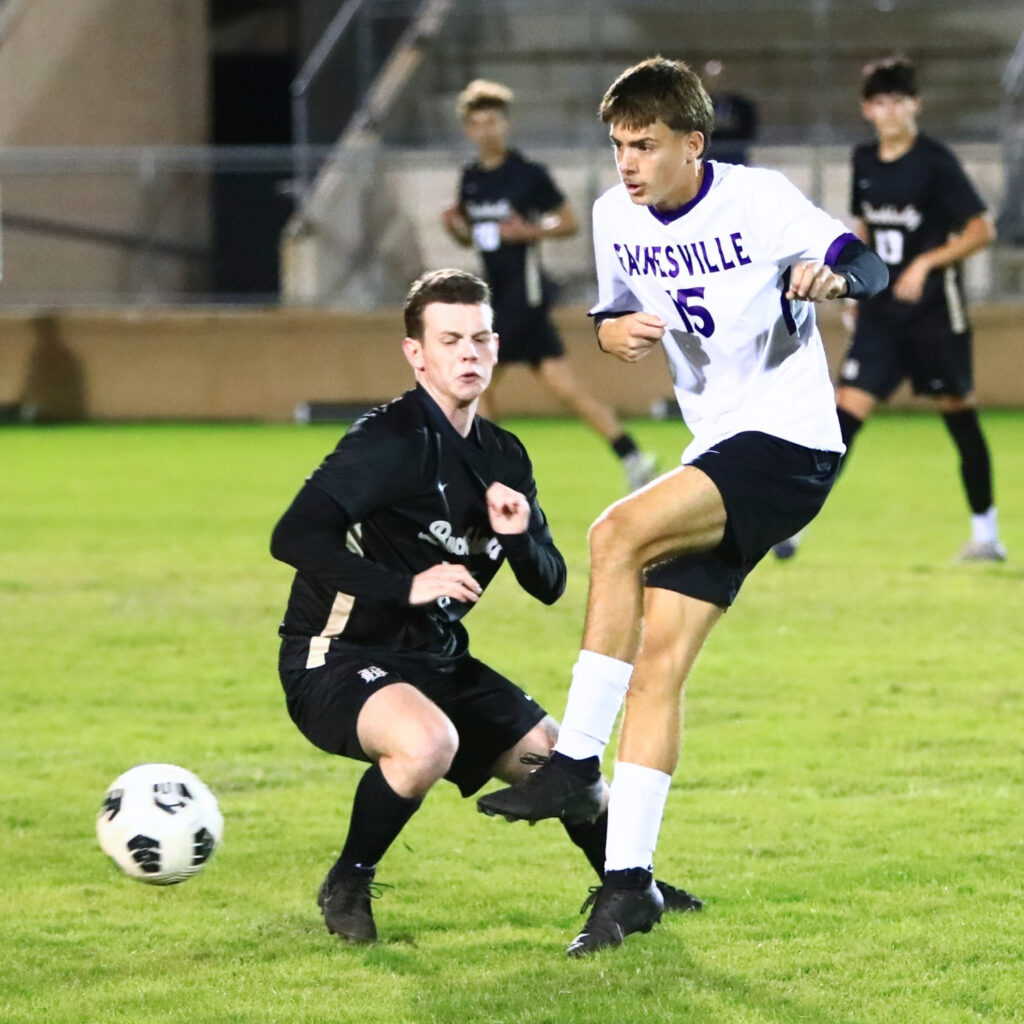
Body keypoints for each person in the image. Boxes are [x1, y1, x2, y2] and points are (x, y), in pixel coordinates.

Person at [476, 57, 888, 957]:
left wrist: (838, 279)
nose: (627, 162)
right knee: (657, 667)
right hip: (719, 449)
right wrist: (607, 331)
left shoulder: (758, 199)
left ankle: (573, 761)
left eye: (646, 145)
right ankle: (629, 885)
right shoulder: (610, 215)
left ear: (693, 144)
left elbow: (868, 260)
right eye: (619, 144)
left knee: (613, 531)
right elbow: (615, 314)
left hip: (788, 446)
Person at [270, 268, 700, 945]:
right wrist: (406, 585)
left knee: (569, 772)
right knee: (426, 744)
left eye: (478, 339)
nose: (467, 354)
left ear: (497, 348)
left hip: (438, 660)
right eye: (449, 341)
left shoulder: (504, 454)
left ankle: (630, 884)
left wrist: (521, 533)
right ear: (417, 354)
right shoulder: (385, 443)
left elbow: (551, 582)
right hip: (338, 657)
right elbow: (291, 536)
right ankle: (348, 880)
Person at [773, 56, 1005, 562]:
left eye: (899, 100)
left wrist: (925, 263)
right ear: (867, 109)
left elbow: (980, 230)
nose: (891, 111)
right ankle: (790, 527)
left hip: (934, 314)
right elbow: (863, 230)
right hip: (881, 315)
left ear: (915, 105)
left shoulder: (936, 161)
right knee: (842, 419)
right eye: (880, 102)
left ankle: (987, 536)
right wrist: (851, 285)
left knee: (959, 416)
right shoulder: (863, 161)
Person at [441, 79, 658, 492]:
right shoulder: (470, 178)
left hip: (524, 294)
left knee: (473, 379)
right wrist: (454, 229)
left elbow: (569, 222)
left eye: (494, 121)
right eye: (478, 123)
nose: (487, 130)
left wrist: (531, 231)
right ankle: (632, 455)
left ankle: (489, 471)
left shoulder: (528, 175)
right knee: (562, 387)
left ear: (506, 124)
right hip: (496, 293)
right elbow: (475, 236)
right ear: (469, 129)